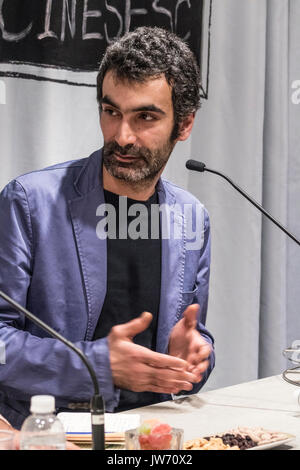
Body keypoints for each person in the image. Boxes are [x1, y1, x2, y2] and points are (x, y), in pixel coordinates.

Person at [0, 26, 215, 429]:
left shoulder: (191, 217)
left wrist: (193, 355)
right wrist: (97, 365)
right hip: (53, 434)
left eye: (145, 116)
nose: (122, 136)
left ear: (184, 125)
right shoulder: (29, 202)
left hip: (153, 433)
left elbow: (195, 340)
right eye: (111, 111)